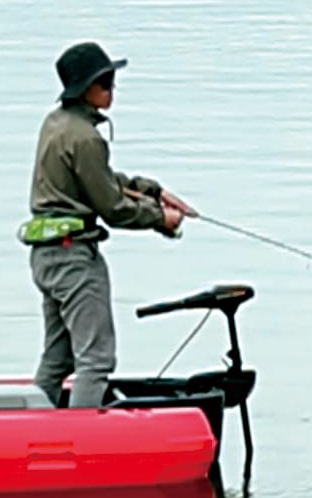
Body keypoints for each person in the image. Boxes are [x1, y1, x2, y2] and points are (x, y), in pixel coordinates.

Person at [20, 41, 195, 408]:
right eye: (104, 83)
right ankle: (80, 437)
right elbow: (113, 208)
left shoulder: (56, 124)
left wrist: (154, 192)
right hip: (73, 258)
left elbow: (98, 182)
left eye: (112, 81)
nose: (112, 89)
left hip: (46, 256)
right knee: (96, 359)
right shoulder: (86, 138)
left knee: (58, 359)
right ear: (85, 88)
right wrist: (160, 218)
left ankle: (32, 429)